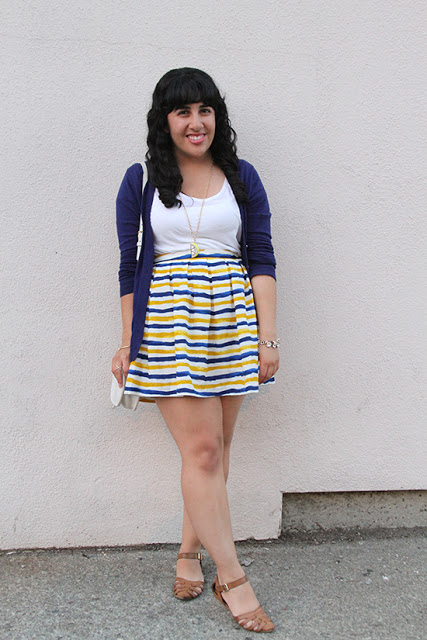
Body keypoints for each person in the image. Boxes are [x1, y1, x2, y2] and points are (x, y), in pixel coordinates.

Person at [112, 67, 279, 633]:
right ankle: (231, 577)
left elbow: (261, 258)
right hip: (168, 326)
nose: (195, 122)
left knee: (216, 448)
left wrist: (268, 338)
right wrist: (129, 342)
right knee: (204, 450)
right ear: (166, 120)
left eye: (205, 110)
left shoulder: (241, 176)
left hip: (231, 323)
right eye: (183, 111)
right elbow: (129, 269)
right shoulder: (140, 180)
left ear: (217, 118)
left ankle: (188, 554)